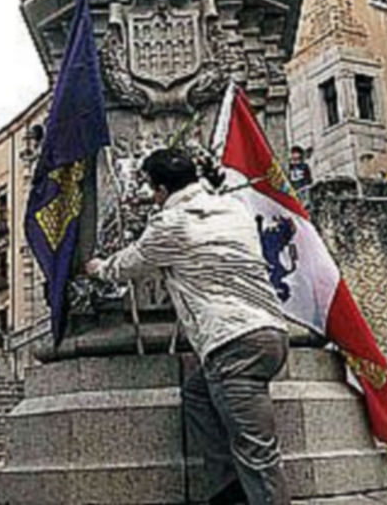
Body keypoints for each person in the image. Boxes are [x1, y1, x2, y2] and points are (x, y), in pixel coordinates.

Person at [85, 148, 290, 505]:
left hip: (233, 343)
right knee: (196, 394)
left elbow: (128, 264)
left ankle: (249, 493)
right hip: (271, 332)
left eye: (151, 187)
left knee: (258, 453)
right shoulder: (234, 208)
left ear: (161, 189)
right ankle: (228, 490)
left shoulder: (172, 223)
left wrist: (98, 267)